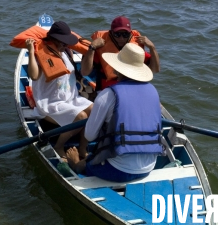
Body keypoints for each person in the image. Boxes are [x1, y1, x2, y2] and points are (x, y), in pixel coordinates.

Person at [67, 43, 164, 182]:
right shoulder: (154, 92)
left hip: (118, 170)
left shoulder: (108, 95)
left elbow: (89, 135)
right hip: (149, 166)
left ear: (116, 68)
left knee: (85, 163)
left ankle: (76, 164)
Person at [25, 21, 93, 159]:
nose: (65, 45)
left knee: (95, 110)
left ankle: (83, 147)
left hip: (71, 98)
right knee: (81, 117)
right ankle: (59, 145)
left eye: (67, 42)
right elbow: (33, 75)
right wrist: (31, 52)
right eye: (62, 42)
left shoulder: (66, 52)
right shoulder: (41, 54)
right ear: (53, 39)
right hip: (50, 103)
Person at [81, 16, 160, 93]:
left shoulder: (134, 50)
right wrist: (92, 47)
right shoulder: (101, 48)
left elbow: (155, 70)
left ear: (131, 33)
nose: (121, 38)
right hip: (108, 90)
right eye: (117, 34)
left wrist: (152, 47)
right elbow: (85, 72)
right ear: (111, 33)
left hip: (132, 88)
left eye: (125, 34)